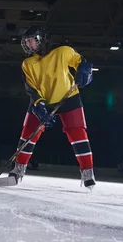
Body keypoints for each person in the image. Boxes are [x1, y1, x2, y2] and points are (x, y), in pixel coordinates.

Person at [9, 26, 96, 190]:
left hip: (69, 97)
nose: (28, 45)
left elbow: (80, 62)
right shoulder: (27, 63)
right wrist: (39, 105)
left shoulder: (63, 51)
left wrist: (85, 70)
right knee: (28, 132)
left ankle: (87, 173)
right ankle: (18, 170)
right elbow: (31, 89)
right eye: (26, 42)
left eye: (31, 40)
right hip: (42, 101)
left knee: (78, 133)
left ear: (41, 39)